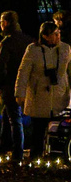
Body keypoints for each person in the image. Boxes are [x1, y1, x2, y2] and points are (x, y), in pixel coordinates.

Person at [15, 19, 71, 163]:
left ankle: (56, 157)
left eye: (58, 33)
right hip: (39, 94)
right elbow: (23, 72)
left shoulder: (65, 49)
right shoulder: (33, 50)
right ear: (45, 36)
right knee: (38, 130)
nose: (58, 37)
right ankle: (36, 157)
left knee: (58, 129)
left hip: (59, 95)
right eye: (54, 34)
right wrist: (19, 93)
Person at [0, 11, 31, 156]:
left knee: (15, 118)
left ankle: (17, 151)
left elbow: (0, 66)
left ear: (7, 23)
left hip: (10, 84)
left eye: (2, 22)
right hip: (24, 84)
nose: (0, 25)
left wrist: (0, 84)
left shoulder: (7, 42)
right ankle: (3, 146)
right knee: (7, 115)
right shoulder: (27, 41)